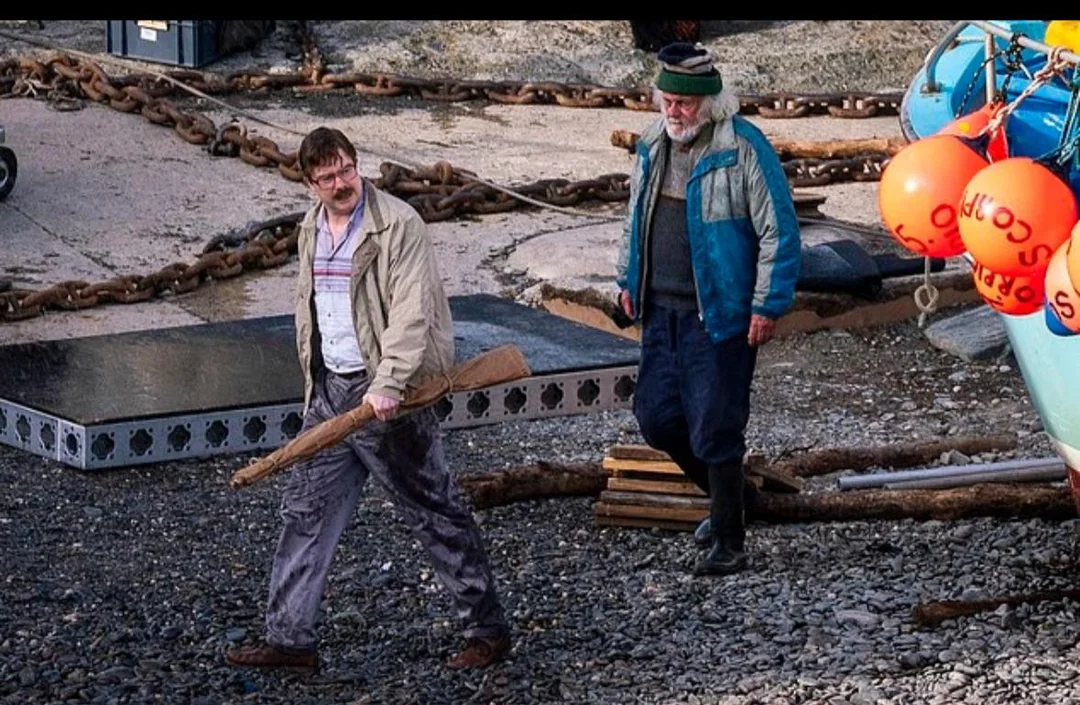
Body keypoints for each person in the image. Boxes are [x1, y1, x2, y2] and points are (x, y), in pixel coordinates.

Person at [226, 127, 511, 674]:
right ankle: (290, 641)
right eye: (327, 177)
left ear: (358, 166)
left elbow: (411, 310)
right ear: (310, 184)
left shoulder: (398, 224)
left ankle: (487, 630)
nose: (341, 184)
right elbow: (312, 310)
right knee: (306, 512)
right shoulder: (311, 227)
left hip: (388, 396)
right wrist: (316, 381)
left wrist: (390, 382)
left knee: (433, 511)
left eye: (347, 170)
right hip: (330, 390)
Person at [615, 43, 802, 576]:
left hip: (719, 312)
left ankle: (729, 539)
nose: (674, 112)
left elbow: (779, 231)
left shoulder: (743, 148)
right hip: (660, 309)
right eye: (667, 101)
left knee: (716, 427)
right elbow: (634, 218)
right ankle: (735, 499)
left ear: (710, 103)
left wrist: (767, 303)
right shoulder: (653, 143)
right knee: (656, 419)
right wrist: (627, 279)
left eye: (685, 104)